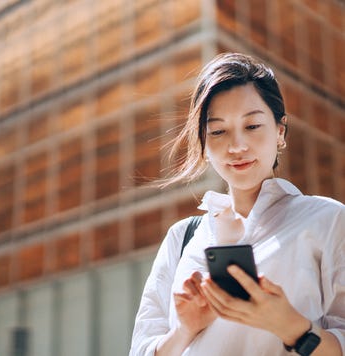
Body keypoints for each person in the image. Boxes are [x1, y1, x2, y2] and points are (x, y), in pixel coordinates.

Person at [129, 53, 344, 356]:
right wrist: (184, 330)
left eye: (253, 126)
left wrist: (290, 326)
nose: (237, 146)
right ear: (203, 144)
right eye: (218, 131)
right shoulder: (183, 237)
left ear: (280, 132)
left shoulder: (328, 220)